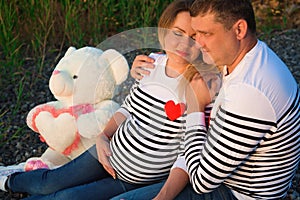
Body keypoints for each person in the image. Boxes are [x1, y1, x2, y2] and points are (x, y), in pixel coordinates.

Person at [0, 0, 221, 199]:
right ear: (164, 31)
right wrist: (103, 137)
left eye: (193, 37)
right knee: (51, 182)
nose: (184, 44)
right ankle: (10, 180)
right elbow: (128, 108)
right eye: (178, 33)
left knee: (67, 197)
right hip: (108, 152)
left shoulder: (201, 86)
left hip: (133, 180)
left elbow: (190, 147)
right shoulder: (151, 64)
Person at [112, 0, 300, 199]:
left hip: (239, 193)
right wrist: (157, 64)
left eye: (206, 34)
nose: (197, 43)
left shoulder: (250, 91)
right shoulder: (251, 57)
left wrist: (195, 107)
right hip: (227, 175)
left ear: (239, 29)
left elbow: (202, 182)